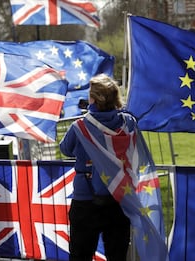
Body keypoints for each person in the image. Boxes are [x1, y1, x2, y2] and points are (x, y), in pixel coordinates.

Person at [59, 74, 132, 261]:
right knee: (117, 255)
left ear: (94, 99)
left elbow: (66, 149)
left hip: (86, 199)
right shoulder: (127, 123)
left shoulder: (81, 126)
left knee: (80, 255)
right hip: (119, 196)